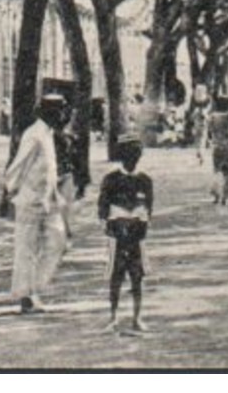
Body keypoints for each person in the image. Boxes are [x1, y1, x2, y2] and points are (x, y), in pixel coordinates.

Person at [5, 94, 71, 314]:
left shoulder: (48, 133)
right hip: (30, 199)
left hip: (48, 199)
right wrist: (11, 190)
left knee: (58, 241)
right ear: (49, 112)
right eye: (60, 110)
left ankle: (35, 288)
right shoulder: (34, 135)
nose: (63, 115)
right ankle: (26, 297)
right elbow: (18, 165)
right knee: (26, 249)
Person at [97, 137, 153, 333]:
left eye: (136, 155)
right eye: (129, 155)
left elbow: (148, 208)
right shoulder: (111, 179)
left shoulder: (145, 181)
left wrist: (142, 225)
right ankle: (113, 317)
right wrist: (108, 225)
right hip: (117, 234)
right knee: (116, 275)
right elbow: (102, 207)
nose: (133, 160)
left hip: (136, 235)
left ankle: (137, 317)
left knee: (137, 276)